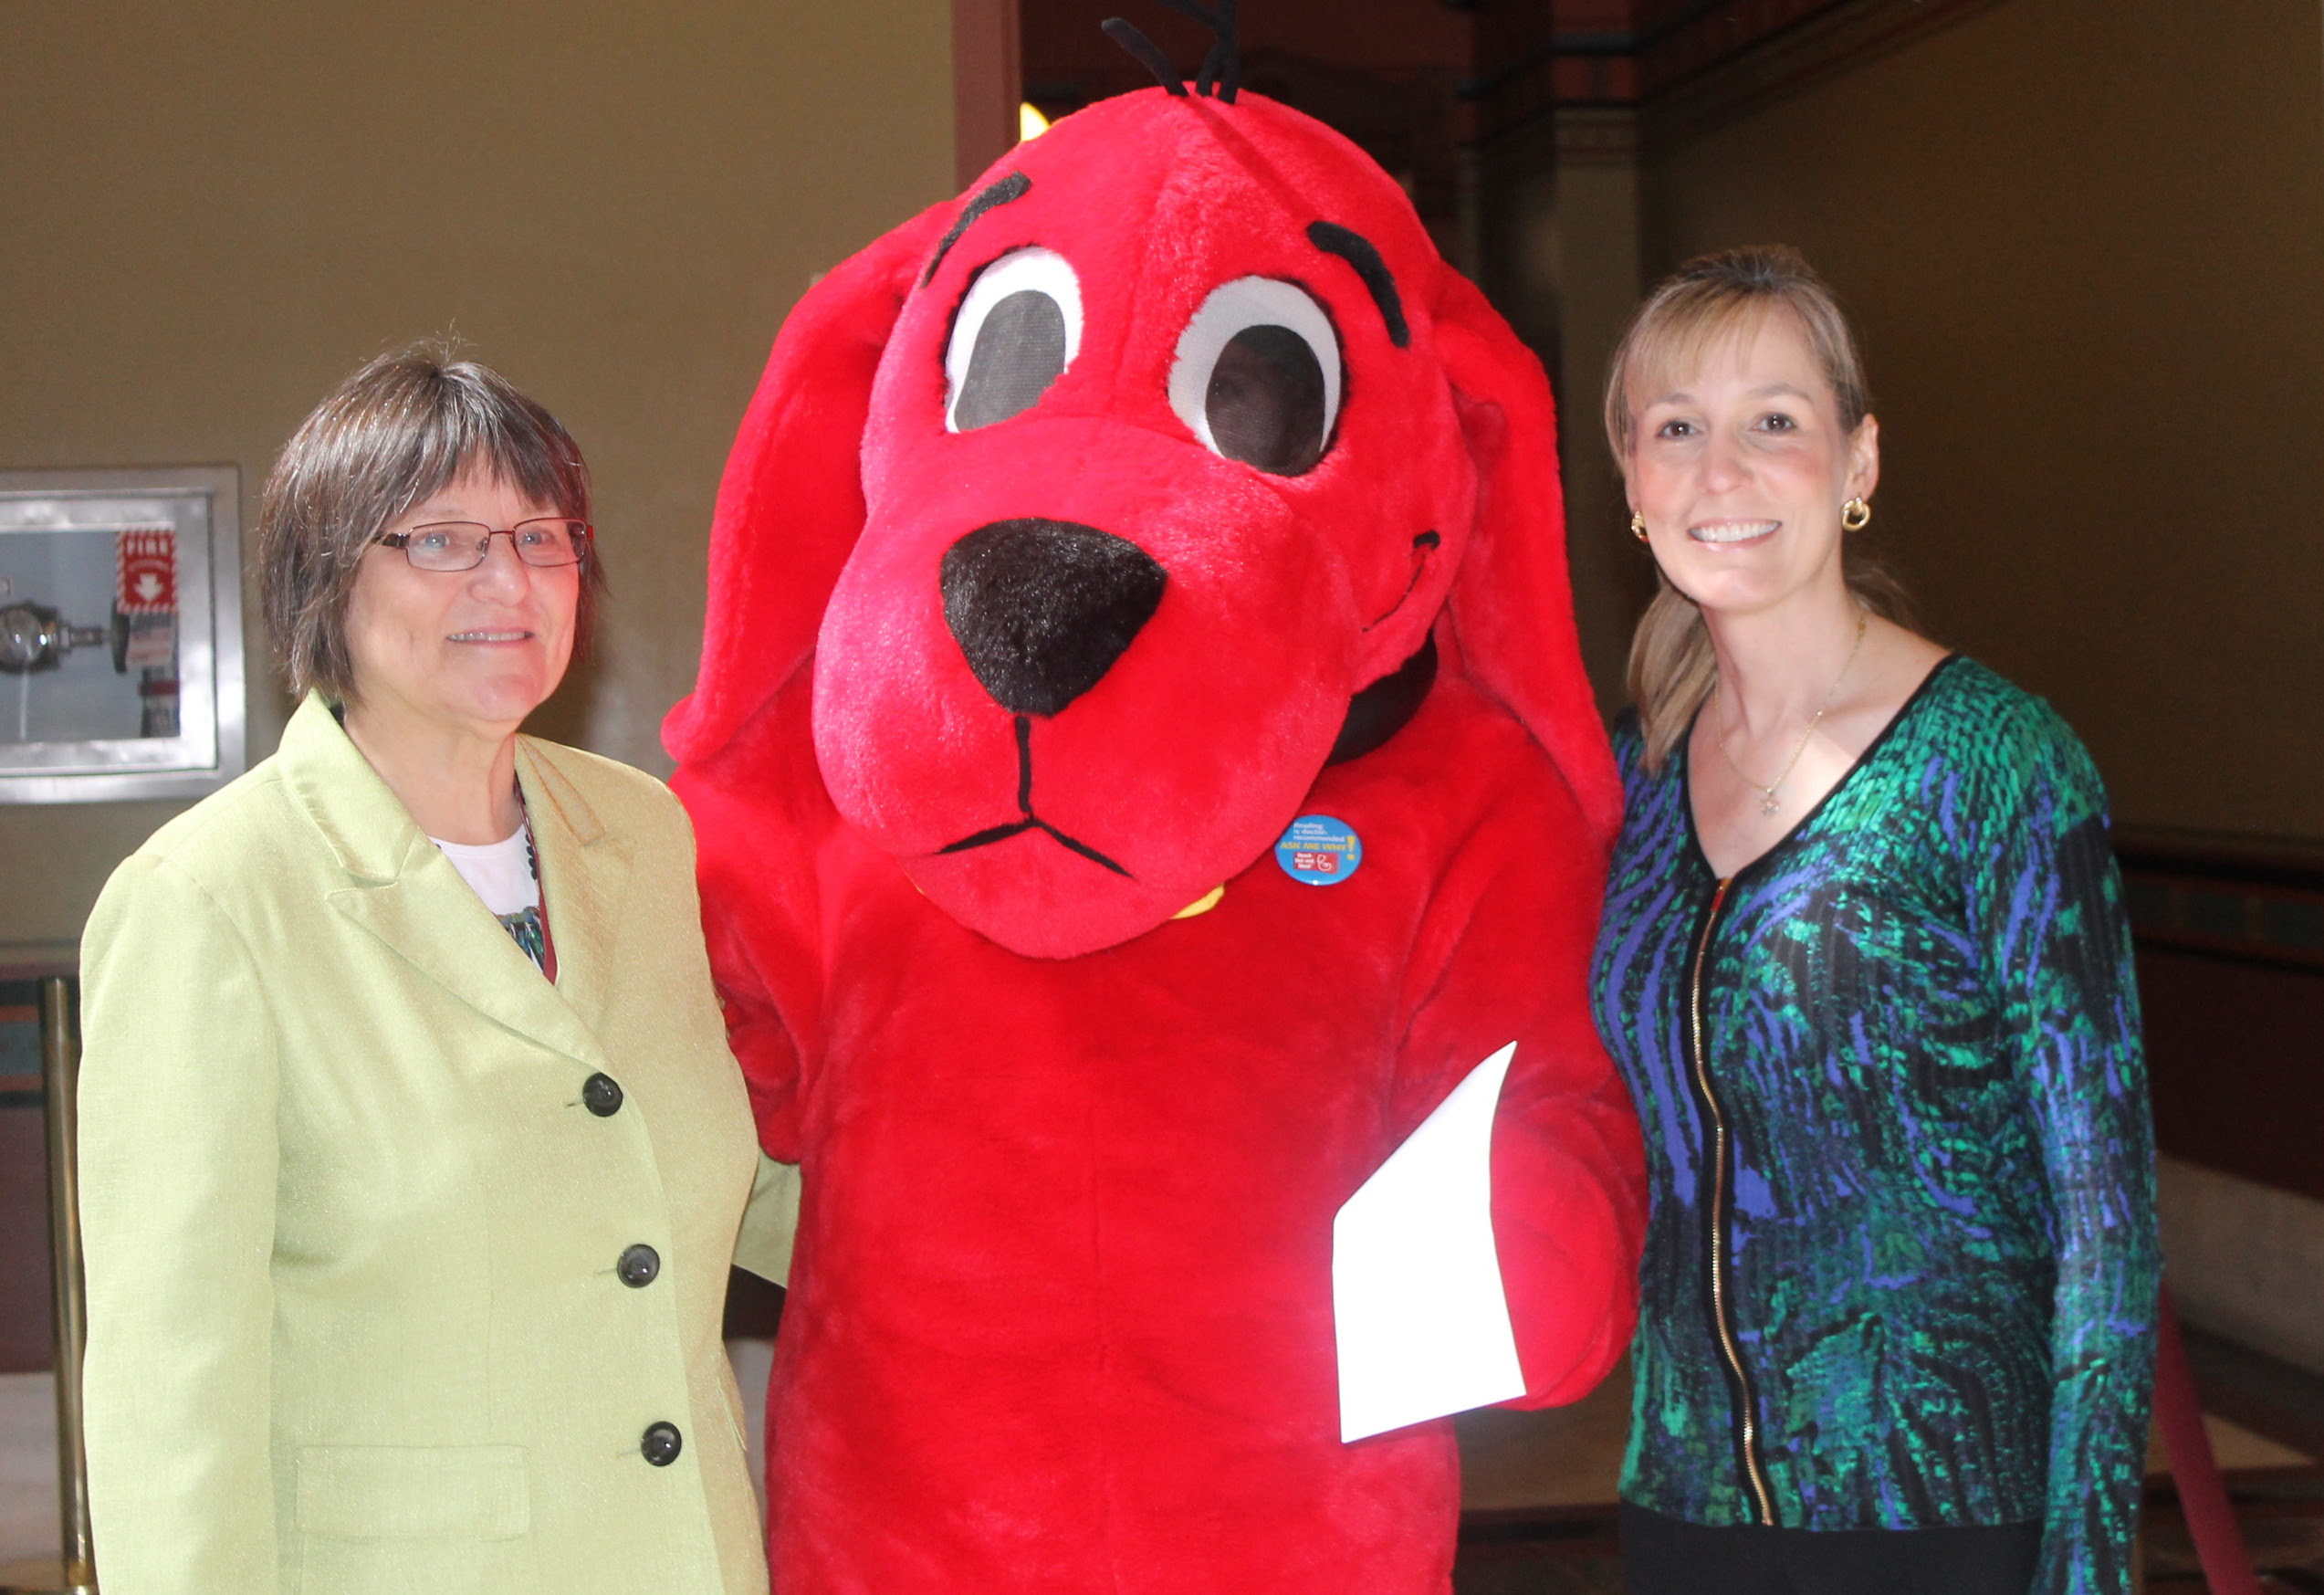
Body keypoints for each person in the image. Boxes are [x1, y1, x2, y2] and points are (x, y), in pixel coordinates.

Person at [76, 345, 796, 1594]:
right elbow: (171, 1391)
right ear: (325, 579)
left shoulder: (642, 834)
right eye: (442, 540)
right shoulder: (209, 901)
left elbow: (739, 1173)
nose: (507, 580)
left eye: (541, 537)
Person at [1588, 247, 2157, 1595]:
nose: (1721, 472)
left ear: (1857, 462)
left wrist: (2086, 1568)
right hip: (1685, 1504)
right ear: (1632, 484)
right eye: (1678, 429)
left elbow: (2105, 1216)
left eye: (1773, 422)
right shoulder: (1631, 782)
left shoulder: (1992, 761)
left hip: (1941, 1513)